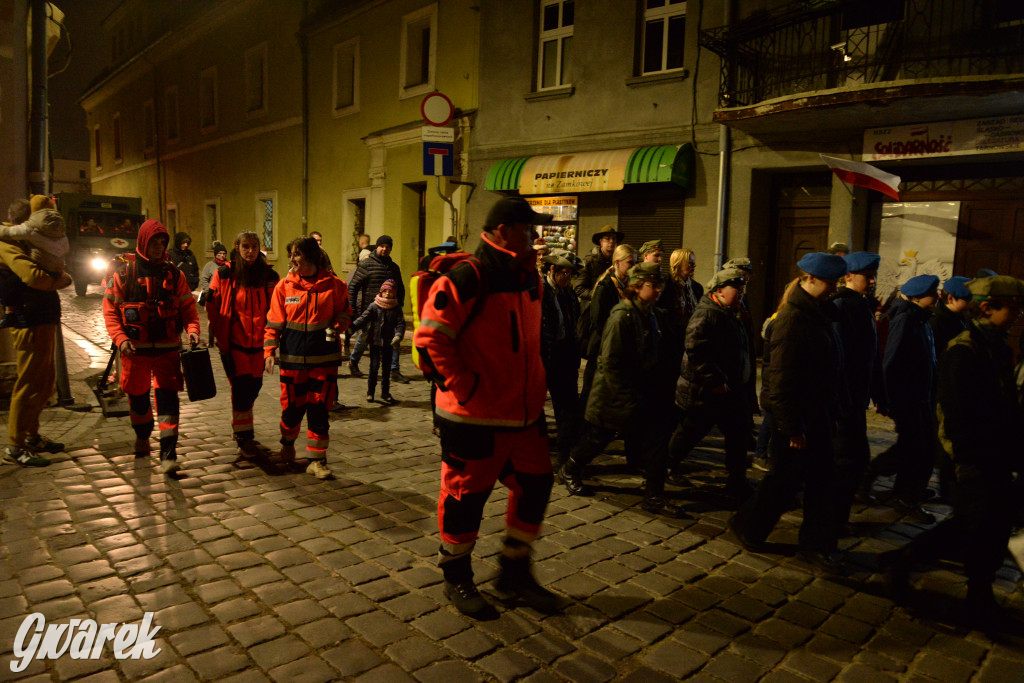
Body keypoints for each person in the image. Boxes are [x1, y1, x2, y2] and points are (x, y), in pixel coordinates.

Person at [414, 196, 562, 617]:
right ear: (503, 232)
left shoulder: (528, 276)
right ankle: (457, 577)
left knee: (535, 486)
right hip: (472, 417)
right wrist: (465, 385)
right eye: (529, 228)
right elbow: (431, 339)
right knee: (465, 498)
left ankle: (513, 572)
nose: (536, 236)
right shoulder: (467, 277)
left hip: (524, 415)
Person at [882, 276, 1024, 624]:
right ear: (988, 308)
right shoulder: (964, 349)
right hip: (969, 458)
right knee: (970, 524)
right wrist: (966, 461)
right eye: (1013, 308)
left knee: (992, 525)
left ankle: (980, 591)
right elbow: (957, 413)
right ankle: (907, 560)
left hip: (995, 455)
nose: (1018, 315)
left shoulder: (998, 347)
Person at [730, 252, 848, 573]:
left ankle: (812, 545)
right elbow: (779, 380)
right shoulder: (792, 319)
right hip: (798, 420)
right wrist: (792, 427)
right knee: (783, 483)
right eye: (829, 283)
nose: (833, 289)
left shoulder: (819, 314)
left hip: (817, 415)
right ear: (809, 279)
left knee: (817, 482)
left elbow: (829, 371)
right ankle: (750, 526)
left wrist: (833, 412)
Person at [560, 263, 687, 518]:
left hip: (645, 394)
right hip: (615, 395)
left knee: (657, 443)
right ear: (637, 287)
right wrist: (628, 398)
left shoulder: (652, 313)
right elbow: (611, 364)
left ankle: (653, 496)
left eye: (660, 285)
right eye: (653, 285)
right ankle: (570, 469)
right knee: (598, 437)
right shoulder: (622, 316)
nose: (659, 290)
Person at [102, 220, 201, 476]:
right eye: (154, 243)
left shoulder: (174, 275)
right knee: (138, 401)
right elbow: (111, 312)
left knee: (169, 401)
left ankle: (169, 454)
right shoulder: (124, 274)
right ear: (143, 243)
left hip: (167, 350)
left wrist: (192, 331)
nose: (158, 248)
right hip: (136, 351)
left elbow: (188, 308)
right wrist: (120, 339)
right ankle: (143, 435)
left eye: (162, 243)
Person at [264, 237, 351, 479]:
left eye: (297, 254)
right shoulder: (284, 287)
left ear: (311, 256)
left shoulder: (335, 285)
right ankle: (287, 443)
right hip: (292, 360)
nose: (292, 259)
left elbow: (345, 313)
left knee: (319, 409)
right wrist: (269, 351)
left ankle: (317, 460)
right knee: (291, 409)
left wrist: (339, 324)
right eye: (291, 254)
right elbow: (273, 323)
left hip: (324, 361)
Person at [667, 267, 754, 500]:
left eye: (742, 288)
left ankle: (737, 479)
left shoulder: (730, 310)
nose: (741, 293)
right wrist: (715, 380)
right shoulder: (707, 313)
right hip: (706, 390)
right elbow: (695, 349)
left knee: (738, 434)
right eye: (737, 289)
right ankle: (666, 467)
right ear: (719, 291)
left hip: (730, 387)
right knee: (690, 432)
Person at [0, 202, 73, 467]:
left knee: (44, 382)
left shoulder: (30, 243)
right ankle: (15, 446)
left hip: (42, 319)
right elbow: (33, 277)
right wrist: (61, 280)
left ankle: (31, 435)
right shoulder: (8, 244)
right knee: (28, 384)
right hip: (27, 322)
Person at [862, 274, 940, 522]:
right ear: (918, 297)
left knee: (916, 447)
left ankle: (903, 492)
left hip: (920, 396)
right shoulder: (906, 320)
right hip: (907, 398)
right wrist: (885, 398)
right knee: (915, 447)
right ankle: (888, 485)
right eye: (932, 294)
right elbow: (892, 360)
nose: (937, 298)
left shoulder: (920, 319)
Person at [206, 231, 280, 458]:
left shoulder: (268, 275)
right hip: (235, 342)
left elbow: (276, 307)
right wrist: (220, 336)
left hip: (260, 343)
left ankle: (241, 427)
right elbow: (213, 307)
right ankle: (243, 436)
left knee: (254, 387)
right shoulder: (225, 274)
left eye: (254, 247)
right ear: (237, 247)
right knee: (241, 389)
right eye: (245, 246)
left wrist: (273, 341)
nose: (250, 251)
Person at [830, 252, 887, 532]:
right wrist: (842, 401)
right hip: (845, 401)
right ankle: (832, 520)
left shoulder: (862, 305)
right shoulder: (842, 306)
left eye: (873, 275)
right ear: (849, 276)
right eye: (868, 276)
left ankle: (837, 517)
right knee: (846, 462)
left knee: (854, 460)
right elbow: (839, 359)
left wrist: (879, 393)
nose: (872, 281)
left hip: (856, 399)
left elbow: (872, 355)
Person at [579, 244, 637, 410]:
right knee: (592, 394)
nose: (633, 267)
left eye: (635, 263)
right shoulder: (605, 287)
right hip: (601, 349)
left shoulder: (628, 286)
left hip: (617, 348)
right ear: (617, 263)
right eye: (630, 263)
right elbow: (598, 321)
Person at [540, 250, 582, 466]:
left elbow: (573, 324)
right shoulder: (542, 291)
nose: (568, 278)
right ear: (553, 270)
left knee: (568, 409)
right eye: (564, 273)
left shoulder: (569, 293)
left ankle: (565, 460)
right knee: (537, 410)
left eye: (571, 274)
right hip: (547, 356)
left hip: (565, 355)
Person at [348, 235, 407, 383]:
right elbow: (353, 286)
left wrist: (400, 303)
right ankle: (353, 361)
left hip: (391, 309)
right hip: (371, 308)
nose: (384, 249)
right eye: (382, 246)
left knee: (394, 337)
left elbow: (399, 286)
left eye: (387, 247)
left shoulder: (393, 267)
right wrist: (352, 307)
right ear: (377, 247)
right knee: (365, 337)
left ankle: (394, 369)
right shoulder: (366, 265)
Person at [350, 279, 405, 403]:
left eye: (390, 292)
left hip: (388, 342)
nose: (387, 294)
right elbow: (363, 318)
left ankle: (385, 393)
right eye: (384, 291)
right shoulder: (374, 306)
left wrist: (398, 335)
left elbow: (400, 323)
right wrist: (352, 327)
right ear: (381, 292)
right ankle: (370, 392)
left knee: (386, 370)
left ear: (394, 293)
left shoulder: (396, 308)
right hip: (375, 341)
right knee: (373, 368)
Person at [0, 195, 68, 274]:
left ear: (11, 218)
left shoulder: (27, 231)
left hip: (40, 269)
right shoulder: (54, 227)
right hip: (57, 268)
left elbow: (8, 233)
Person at [573, 225, 624, 304]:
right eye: (607, 239)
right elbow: (579, 289)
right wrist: (598, 296)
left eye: (614, 239)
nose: (611, 241)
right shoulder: (589, 261)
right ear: (601, 242)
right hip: (592, 309)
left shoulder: (617, 261)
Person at [931, 276, 971, 357]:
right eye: (968, 300)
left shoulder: (961, 316)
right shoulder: (936, 321)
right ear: (950, 298)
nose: (971, 304)